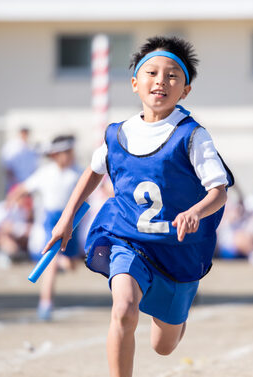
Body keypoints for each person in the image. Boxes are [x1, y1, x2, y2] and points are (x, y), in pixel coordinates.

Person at [41, 36, 233, 377]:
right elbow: (93, 172)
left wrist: (195, 211)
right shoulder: (117, 133)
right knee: (125, 310)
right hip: (126, 238)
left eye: (173, 75)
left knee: (163, 346)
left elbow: (218, 191)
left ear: (185, 90)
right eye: (152, 72)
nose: (161, 80)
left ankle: (176, 315)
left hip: (177, 250)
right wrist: (66, 218)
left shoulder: (192, 135)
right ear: (135, 83)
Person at [7, 135, 82, 321]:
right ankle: (46, 303)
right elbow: (22, 189)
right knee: (51, 262)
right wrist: (11, 202)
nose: (70, 155)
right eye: (65, 152)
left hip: (73, 221)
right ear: (56, 155)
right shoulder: (45, 173)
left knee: (71, 264)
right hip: (52, 221)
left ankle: (61, 264)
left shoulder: (78, 172)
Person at [1, 126, 39, 193]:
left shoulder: (30, 148)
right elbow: (7, 164)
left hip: (26, 183)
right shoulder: (12, 146)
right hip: (14, 182)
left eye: (26, 134)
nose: (25, 136)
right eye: (23, 133)